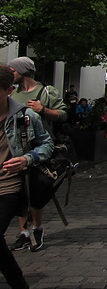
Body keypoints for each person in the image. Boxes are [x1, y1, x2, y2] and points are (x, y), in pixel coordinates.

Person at [0, 64, 53, 288]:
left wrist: (26, 159)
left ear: (8, 90)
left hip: (8, 186)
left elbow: (47, 145)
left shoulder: (25, 116)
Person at [7, 56, 66, 253]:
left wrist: (44, 110)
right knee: (18, 193)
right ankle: (23, 232)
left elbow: (63, 114)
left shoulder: (45, 91)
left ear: (22, 71)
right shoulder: (12, 93)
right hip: (14, 151)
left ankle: (37, 228)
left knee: (35, 192)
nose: (10, 73)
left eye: (12, 70)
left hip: (39, 150)